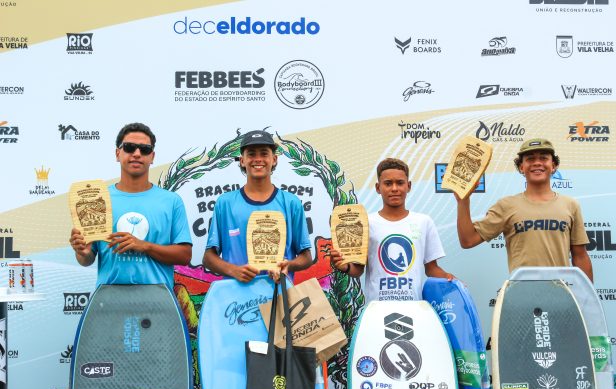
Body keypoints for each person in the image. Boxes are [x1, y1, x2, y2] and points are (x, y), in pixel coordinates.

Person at [69, 122, 192, 285]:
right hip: (109, 298)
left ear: (152, 157)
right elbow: (87, 259)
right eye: (129, 147)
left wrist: (144, 246)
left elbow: (184, 256)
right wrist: (83, 253)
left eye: (144, 149)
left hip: (158, 300)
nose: (137, 153)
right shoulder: (98, 199)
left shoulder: (171, 201)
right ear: (117, 153)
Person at [455, 138, 593, 281]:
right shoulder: (506, 205)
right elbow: (468, 240)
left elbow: (580, 256)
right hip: (521, 294)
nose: (537, 163)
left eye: (543, 158)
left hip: (561, 292)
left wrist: (587, 299)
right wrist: (463, 201)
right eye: (530, 159)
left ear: (554, 165)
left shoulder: (570, 205)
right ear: (521, 167)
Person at [331, 158, 454, 303]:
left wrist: (451, 280)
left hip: (414, 308)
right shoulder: (366, 223)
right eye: (388, 183)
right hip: (377, 309)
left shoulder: (423, 222)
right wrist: (345, 267)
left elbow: (432, 268)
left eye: (400, 183)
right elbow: (357, 270)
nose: (394, 188)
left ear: (408, 186)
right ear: (378, 188)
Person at [202, 130, 312, 282]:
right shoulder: (225, 203)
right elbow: (208, 258)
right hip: (236, 298)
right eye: (251, 154)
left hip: (278, 293)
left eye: (264, 153)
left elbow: (306, 257)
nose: (258, 159)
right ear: (242, 160)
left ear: (274, 159)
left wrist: (289, 265)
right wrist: (234, 271)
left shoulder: (291, 203)